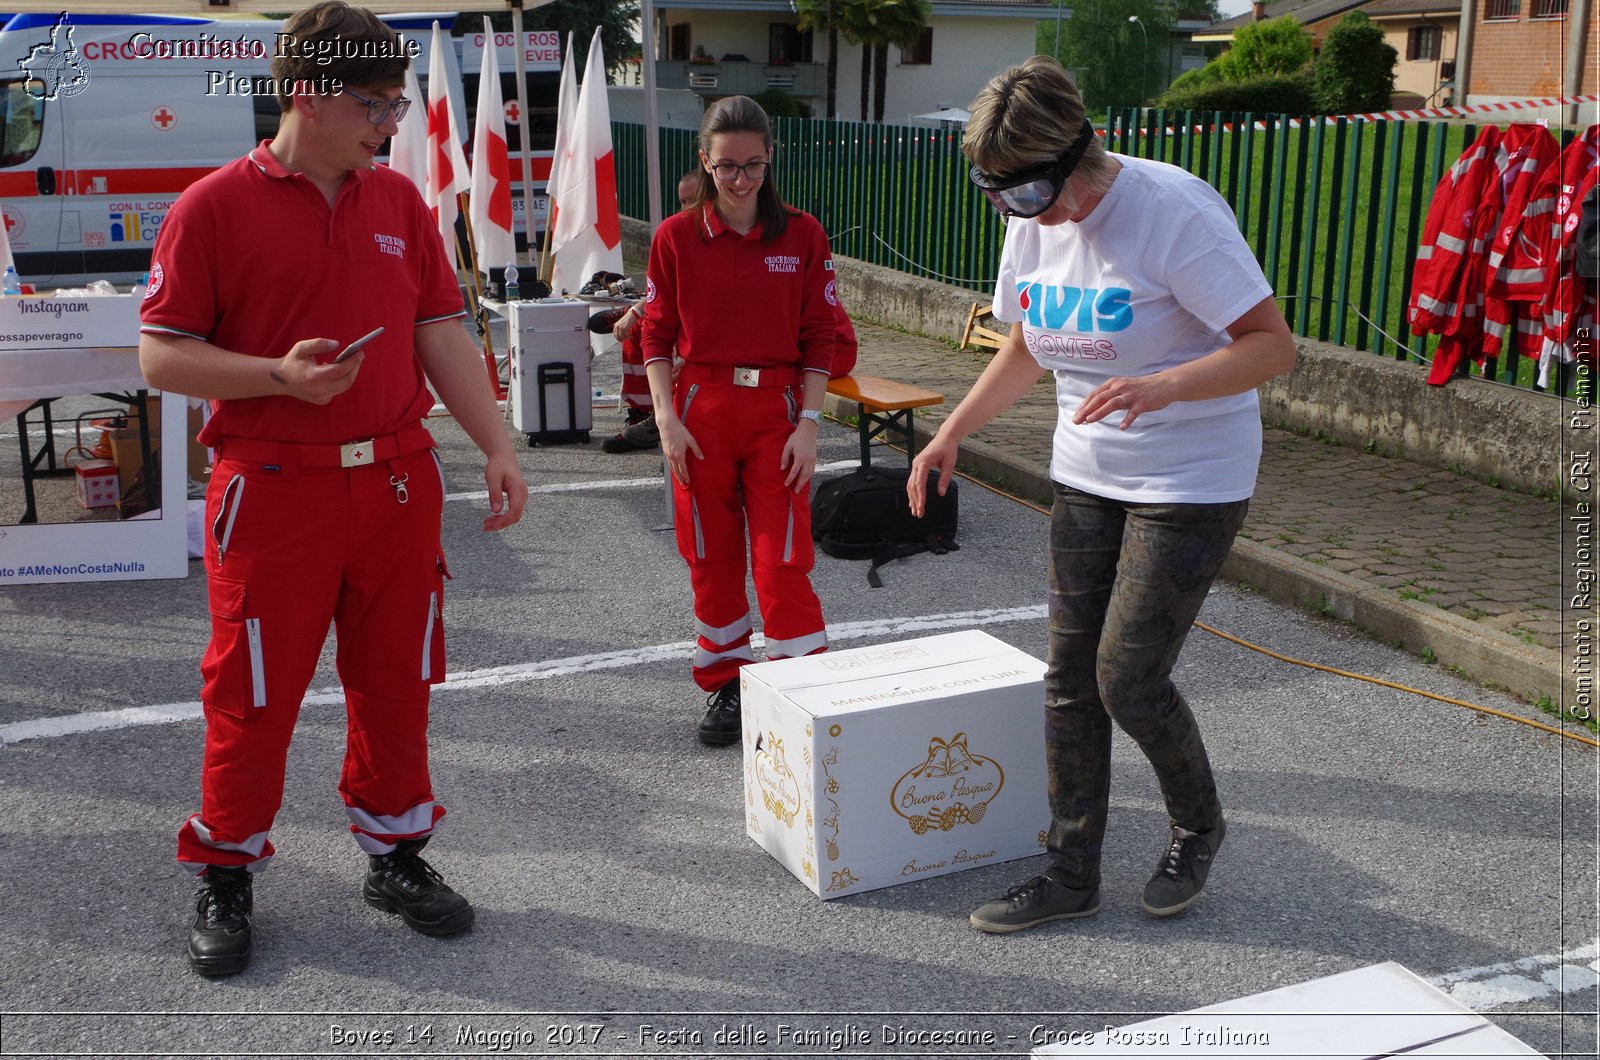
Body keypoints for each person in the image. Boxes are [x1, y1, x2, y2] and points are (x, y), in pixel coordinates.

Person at [138, 0, 529, 977]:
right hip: (273, 492)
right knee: (253, 691)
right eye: (376, 102)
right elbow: (158, 356)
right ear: (307, 95)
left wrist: (497, 443)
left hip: (397, 485)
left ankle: (395, 854)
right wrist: (277, 375)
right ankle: (226, 866)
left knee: (397, 680)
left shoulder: (397, 203)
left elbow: (439, 329)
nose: (391, 121)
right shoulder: (212, 207)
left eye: (395, 103)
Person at [909, 56, 1295, 932]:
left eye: (1029, 195)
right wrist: (952, 431)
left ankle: (1198, 825)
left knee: (1127, 677)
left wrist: (1167, 385)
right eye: (998, 197)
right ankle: (1068, 871)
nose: (1020, 215)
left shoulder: (1174, 213)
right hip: (1086, 474)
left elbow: (1272, 347)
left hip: (1190, 477)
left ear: (1077, 158)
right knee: (1068, 681)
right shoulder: (1029, 216)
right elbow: (1028, 347)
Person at [641, 95, 837, 745]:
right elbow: (656, 337)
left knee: (781, 556)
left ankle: (796, 684)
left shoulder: (802, 234)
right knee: (710, 554)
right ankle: (726, 684)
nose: (741, 180)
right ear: (705, 161)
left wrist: (810, 423)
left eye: (753, 165)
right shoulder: (674, 237)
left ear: (770, 160)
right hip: (701, 411)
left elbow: (821, 338)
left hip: (778, 411)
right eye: (727, 167)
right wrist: (666, 419)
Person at [596, 171, 700, 454]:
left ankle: (667, 417)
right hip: (681, 315)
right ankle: (645, 414)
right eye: (682, 201)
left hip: (707, 329)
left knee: (654, 330)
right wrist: (636, 312)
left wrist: (636, 311)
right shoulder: (678, 235)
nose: (687, 208)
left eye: (694, 199)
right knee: (636, 333)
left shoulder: (715, 239)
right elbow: (669, 289)